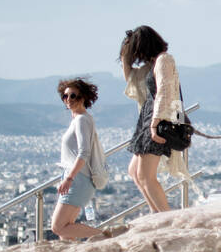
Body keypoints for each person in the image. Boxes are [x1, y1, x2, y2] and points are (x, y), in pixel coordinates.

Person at [120, 25, 184, 212]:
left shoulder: (164, 60)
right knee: (135, 172)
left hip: (157, 120)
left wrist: (155, 124)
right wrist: (124, 56)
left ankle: (166, 218)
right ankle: (157, 213)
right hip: (148, 119)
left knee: (145, 175)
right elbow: (132, 79)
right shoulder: (152, 64)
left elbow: (164, 90)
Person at [52, 78, 107, 240]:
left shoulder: (82, 119)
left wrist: (69, 178)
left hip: (78, 179)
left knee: (58, 227)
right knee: (67, 228)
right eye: (65, 96)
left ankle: (107, 236)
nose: (68, 99)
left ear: (82, 97)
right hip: (76, 178)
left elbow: (84, 152)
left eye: (73, 96)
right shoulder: (78, 119)